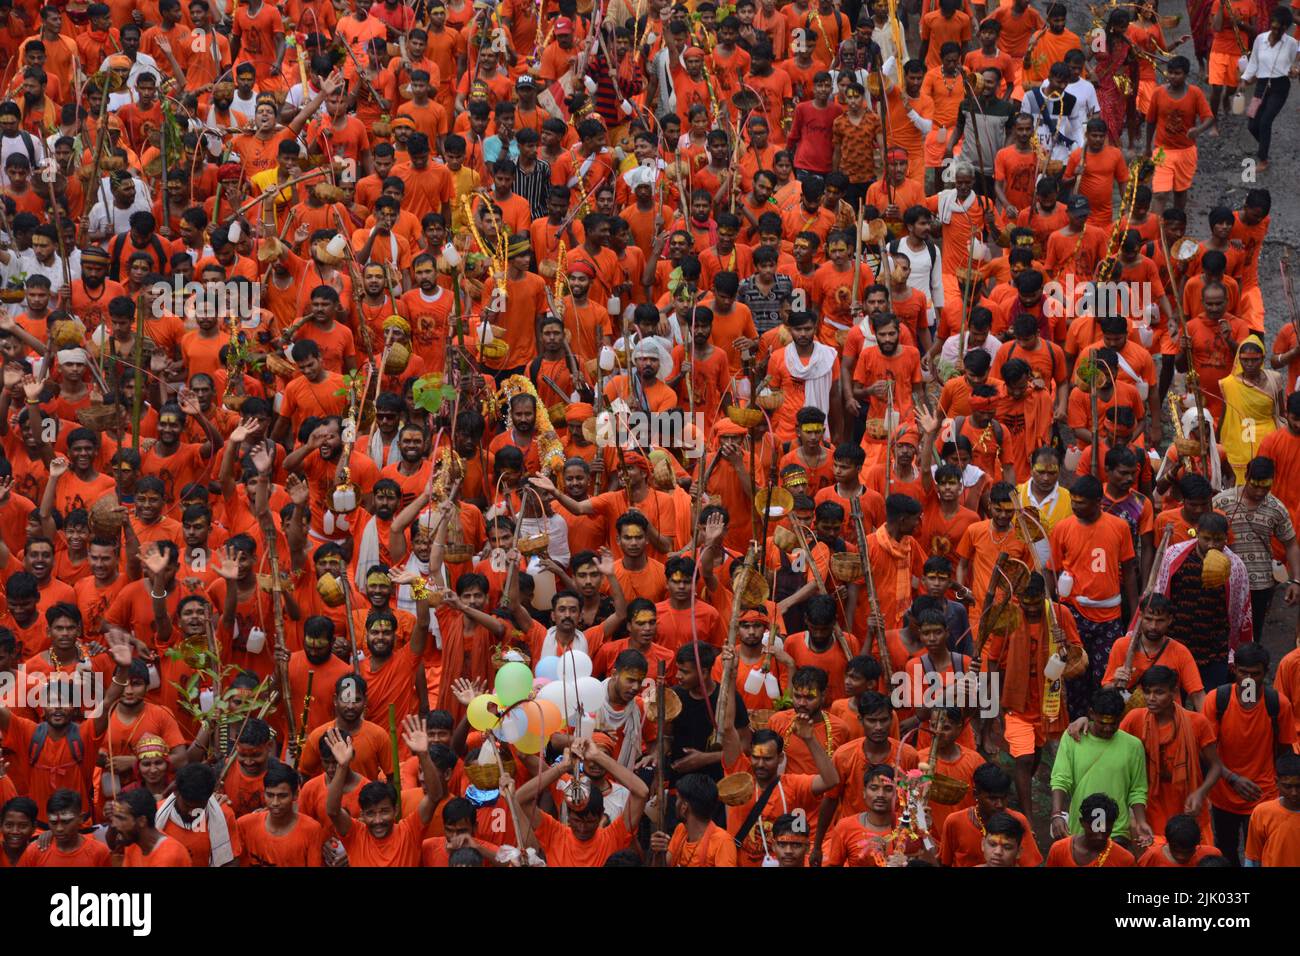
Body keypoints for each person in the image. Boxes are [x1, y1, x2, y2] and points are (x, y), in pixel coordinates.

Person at [1049, 688, 1152, 850]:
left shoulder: (1133, 746)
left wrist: (1140, 822)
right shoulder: (1073, 738)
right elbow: (1060, 779)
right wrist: (1057, 815)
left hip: (1117, 831)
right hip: (1081, 828)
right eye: (1102, 723)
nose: (1108, 729)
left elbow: (1137, 790)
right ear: (1091, 714)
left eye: (1114, 724)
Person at [1244, 753, 1300, 866]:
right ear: (1276, 782)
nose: (1294, 792)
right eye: (1287, 786)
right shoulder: (1262, 813)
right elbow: (1253, 858)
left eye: (1299, 786)